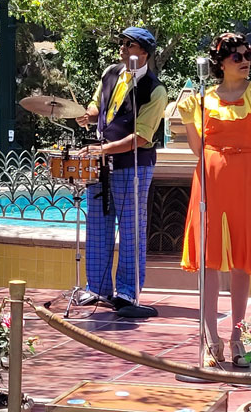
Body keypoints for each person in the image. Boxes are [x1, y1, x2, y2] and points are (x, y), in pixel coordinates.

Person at [179, 31, 251, 368]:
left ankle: (237, 337)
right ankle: (210, 338)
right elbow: (199, 150)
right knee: (210, 261)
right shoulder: (204, 98)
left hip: (245, 176)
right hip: (211, 178)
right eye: (237, 57)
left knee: (242, 259)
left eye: (247, 56)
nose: (245, 62)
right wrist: (189, 120)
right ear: (221, 63)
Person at [74, 27, 168, 318]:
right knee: (98, 228)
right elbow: (97, 104)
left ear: (145, 52)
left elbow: (141, 138)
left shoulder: (155, 89)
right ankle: (98, 288)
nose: (123, 48)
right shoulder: (110, 73)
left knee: (130, 230)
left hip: (133, 166)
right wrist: (89, 115)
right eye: (122, 43)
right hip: (101, 165)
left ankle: (127, 292)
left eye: (129, 45)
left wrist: (104, 148)